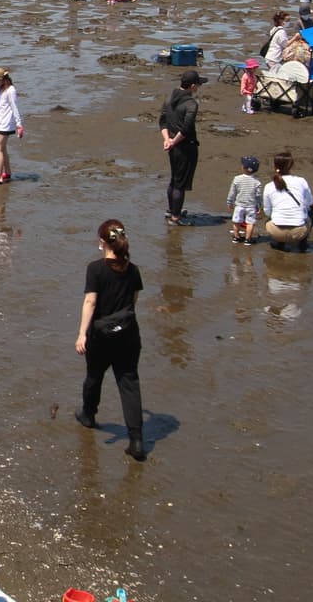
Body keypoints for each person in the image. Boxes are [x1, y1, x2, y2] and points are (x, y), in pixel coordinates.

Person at [73, 219, 147, 461]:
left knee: (94, 376)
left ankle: (88, 415)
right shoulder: (133, 270)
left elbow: (90, 302)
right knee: (129, 383)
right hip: (128, 334)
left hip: (101, 336)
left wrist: (82, 333)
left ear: (102, 242)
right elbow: (133, 301)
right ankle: (136, 440)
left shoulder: (95, 269)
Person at [159, 70, 207, 225]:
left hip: (173, 146)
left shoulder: (169, 98)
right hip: (185, 147)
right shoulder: (191, 104)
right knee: (180, 184)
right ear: (192, 86)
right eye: (198, 84)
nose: (198, 87)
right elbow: (186, 129)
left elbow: (163, 121)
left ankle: (172, 210)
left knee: (174, 179)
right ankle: (175, 217)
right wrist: (174, 141)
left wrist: (167, 140)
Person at [261, 152, 313, 251]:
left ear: (275, 166)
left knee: (269, 218)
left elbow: (267, 212)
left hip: (277, 233)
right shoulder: (301, 181)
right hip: (299, 233)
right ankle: (303, 243)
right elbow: (310, 203)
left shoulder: (268, 186)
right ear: (291, 166)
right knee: (312, 210)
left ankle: (279, 243)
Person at [227, 156, 262, 244]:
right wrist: (259, 206)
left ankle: (236, 237)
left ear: (243, 167)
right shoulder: (257, 182)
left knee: (236, 221)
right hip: (251, 206)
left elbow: (232, 192)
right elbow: (258, 196)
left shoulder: (237, 179)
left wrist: (229, 202)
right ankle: (248, 239)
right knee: (250, 223)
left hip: (239, 205)